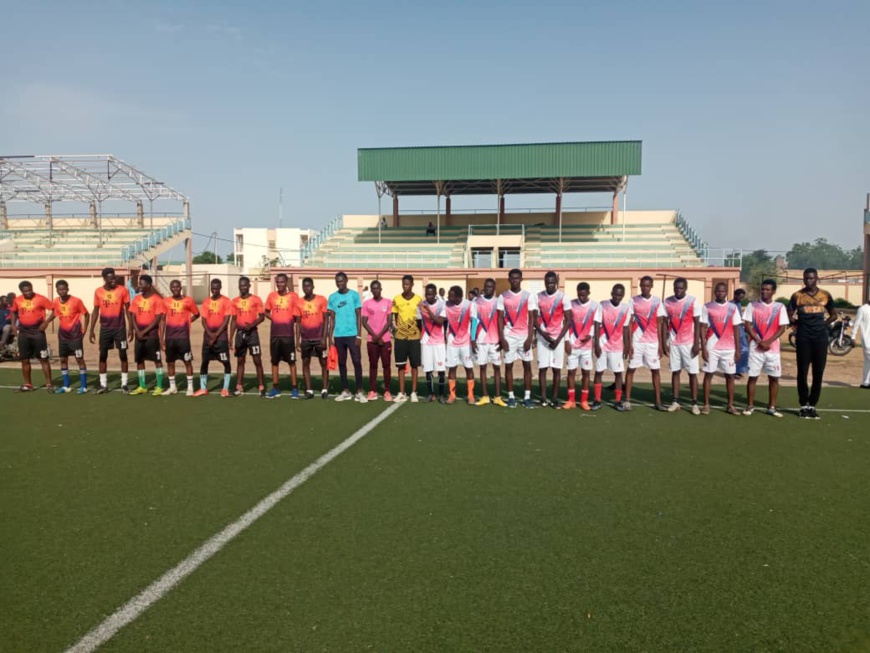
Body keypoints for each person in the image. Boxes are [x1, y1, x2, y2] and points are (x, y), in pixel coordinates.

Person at [788, 268, 836, 419]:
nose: (808, 281)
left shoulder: (825, 295)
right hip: (803, 338)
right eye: (806, 278)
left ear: (817, 278)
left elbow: (833, 314)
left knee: (818, 372)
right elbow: (789, 314)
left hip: (820, 338)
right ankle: (803, 405)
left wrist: (824, 325)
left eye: (811, 278)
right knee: (802, 372)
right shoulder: (797, 296)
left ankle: (812, 404)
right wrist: (796, 323)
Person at [743, 279, 789, 417]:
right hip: (755, 348)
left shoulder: (779, 307)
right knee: (752, 377)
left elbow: (782, 328)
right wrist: (759, 341)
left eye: (768, 289)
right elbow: (747, 325)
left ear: (773, 291)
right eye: (763, 289)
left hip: (773, 349)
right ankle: (750, 406)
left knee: (774, 378)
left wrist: (768, 341)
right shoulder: (753, 305)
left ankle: (772, 406)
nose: (765, 292)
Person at [700, 282, 742, 415]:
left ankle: (730, 405)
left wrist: (738, 349)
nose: (720, 293)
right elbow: (702, 328)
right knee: (708, 374)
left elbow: (736, 329)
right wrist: (703, 347)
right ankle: (706, 404)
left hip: (729, 348)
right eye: (718, 291)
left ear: (726, 293)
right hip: (711, 347)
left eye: (723, 291)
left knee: (730, 376)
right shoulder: (707, 307)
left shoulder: (732, 308)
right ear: (714, 292)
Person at [625, 275, 667, 411]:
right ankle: (627, 400)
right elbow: (630, 322)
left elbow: (660, 324)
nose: (645, 288)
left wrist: (661, 345)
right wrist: (629, 343)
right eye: (643, 285)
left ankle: (658, 401)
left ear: (651, 286)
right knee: (631, 369)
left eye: (647, 285)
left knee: (655, 371)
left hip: (652, 343)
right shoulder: (633, 300)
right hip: (637, 341)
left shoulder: (657, 302)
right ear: (640, 286)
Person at [498, 268, 538, 408]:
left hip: (524, 337)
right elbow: (500, 318)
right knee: (509, 366)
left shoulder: (528, 296)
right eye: (512, 278)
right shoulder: (503, 296)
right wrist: (502, 338)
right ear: (509, 280)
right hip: (509, 337)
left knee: (527, 365)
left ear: (521, 279)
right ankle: (511, 396)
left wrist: (530, 338)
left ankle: (527, 397)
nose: (515, 280)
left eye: (517, 278)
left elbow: (532, 317)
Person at [89, 267, 131, 394]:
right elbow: (95, 311)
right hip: (105, 329)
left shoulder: (123, 290)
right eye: (111, 278)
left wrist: (131, 327)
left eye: (114, 277)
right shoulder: (98, 292)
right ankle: (103, 384)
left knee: (123, 354)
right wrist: (91, 329)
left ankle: (124, 384)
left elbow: (128, 310)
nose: (114, 280)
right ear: (104, 278)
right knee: (103, 356)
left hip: (120, 328)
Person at [663, 277, 702, 414]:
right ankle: (675, 401)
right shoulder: (667, 301)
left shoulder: (693, 301)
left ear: (685, 288)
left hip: (689, 343)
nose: (678, 290)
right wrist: (664, 342)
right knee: (675, 371)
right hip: (674, 343)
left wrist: (697, 343)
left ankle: (694, 403)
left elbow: (697, 323)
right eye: (676, 287)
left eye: (680, 288)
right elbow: (664, 322)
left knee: (692, 373)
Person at [43, 280, 89, 394]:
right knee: (63, 359)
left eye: (64, 289)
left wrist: (84, 330)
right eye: (59, 289)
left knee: (79, 359)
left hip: (75, 336)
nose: (62, 291)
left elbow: (86, 314)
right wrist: (47, 321)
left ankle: (83, 386)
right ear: (57, 290)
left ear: (68, 289)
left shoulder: (76, 301)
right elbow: (55, 312)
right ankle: (66, 386)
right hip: (63, 336)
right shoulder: (56, 302)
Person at [593, 283, 633, 411]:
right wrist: (596, 344)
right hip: (603, 345)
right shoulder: (603, 305)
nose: (617, 297)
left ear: (623, 295)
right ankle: (597, 400)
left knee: (618, 373)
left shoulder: (626, 308)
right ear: (611, 293)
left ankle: (617, 401)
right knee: (599, 372)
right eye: (615, 294)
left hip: (617, 347)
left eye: (620, 295)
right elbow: (597, 324)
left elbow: (626, 329)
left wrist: (627, 346)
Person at [328, 271, 366, 402]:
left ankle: (359, 391)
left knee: (356, 362)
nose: (340, 283)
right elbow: (331, 319)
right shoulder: (332, 297)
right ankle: (345, 391)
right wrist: (330, 336)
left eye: (341, 281)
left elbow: (359, 316)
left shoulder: (354, 295)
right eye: (337, 281)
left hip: (352, 335)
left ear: (346, 280)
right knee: (342, 363)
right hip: (339, 335)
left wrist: (359, 336)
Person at [193, 278, 234, 397]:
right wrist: (210, 334)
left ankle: (225, 389)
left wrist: (215, 335)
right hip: (207, 338)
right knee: (204, 362)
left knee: (226, 362)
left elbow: (226, 321)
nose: (214, 290)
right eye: (212, 288)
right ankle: (203, 388)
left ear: (220, 288)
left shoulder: (226, 301)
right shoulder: (206, 302)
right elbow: (203, 320)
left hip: (221, 339)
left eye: (216, 288)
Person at [10, 281, 54, 392]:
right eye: (26, 291)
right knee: (24, 360)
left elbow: (54, 310)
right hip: (23, 333)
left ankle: (49, 384)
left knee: (43, 359)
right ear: (21, 291)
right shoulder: (17, 300)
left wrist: (47, 322)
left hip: (37, 333)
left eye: (30, 289)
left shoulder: (41, 299)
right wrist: (13, 325)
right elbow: (14, 312)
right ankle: (28, 384)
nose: (28, 292)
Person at [535, 271, 571, 408]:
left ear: (556, 282)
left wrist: (558, 339)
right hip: (543, 339)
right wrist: (543, 334)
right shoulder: (538, 297)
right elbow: (534, 319)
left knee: (556, 369)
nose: (549, 285)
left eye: (552, 282)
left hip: (558, 340)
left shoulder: (563, 297)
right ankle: (543, 398)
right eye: (547, 282)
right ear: (544, 282)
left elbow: (568, 321)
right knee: (542, 368)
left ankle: (554, 398)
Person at [128, 274, 166, 395]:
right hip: (139, 335)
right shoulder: (137, 299)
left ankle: (159, 386)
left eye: (142, 284)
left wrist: (144, 331)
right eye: (139, 284)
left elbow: (158, 318)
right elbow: (132, 315)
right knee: (139, 360)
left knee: (157, 360)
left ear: (149, 286)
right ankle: (142, 386)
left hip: (152, 335)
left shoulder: (157, 299)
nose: (140, 286)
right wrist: (136, 330)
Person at [264, 273, 300, 399]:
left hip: (288, 335)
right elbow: (266, 312)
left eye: (282, 282)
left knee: (291, 362)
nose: (280, 284)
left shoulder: (294, 297)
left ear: (286, 283)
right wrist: (274, 318)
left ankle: (295, 388)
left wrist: (289, 321)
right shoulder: (271, 296)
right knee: (274, 362)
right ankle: (275, 388)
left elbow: (297, 315)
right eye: (278, 282)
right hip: (275, 335)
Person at [162, 279, 199, 396]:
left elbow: (197, 314)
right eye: (173, 287)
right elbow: (162, 320)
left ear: (181, 287)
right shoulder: (166, 301)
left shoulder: (188, 300)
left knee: (187, 362)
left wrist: (188, 322)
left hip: (183, 338)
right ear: (170, 288)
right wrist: (161, 337)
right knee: (170, 363)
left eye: (177, 287)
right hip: (170, 338)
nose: (175, 289)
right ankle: (173, 387)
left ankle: (190, 387)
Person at [230, 276, 266, 397]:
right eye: (241, 285)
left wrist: (251, 325)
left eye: (245, 285)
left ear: (249, 286)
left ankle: (261, 387)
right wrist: (230, 337)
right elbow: (233, 320)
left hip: (252, 334)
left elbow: (262, 316)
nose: (243, 287)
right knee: (240, 361)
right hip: (240, 335)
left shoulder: (256, 299)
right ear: (239, 286)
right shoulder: (235, 301)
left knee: (257, 360)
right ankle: (239, 387)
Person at [472, 278, 505, 406]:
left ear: (494, 288)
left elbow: (502, 321)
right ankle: (485, 396)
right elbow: (474, 321)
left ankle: (497, 396)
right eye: (486, 286)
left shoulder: (498, 302)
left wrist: (502, 340)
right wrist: (473, 339)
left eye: (491, 287)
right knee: (483, 368)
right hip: (481, 341)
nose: (488, 289)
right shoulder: (476, 302)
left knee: (497, 368)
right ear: (484, 287)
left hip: (495, 341)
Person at [564, 282, 597, 410]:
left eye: (584, 295)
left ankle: (584, 401)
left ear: (588, 293)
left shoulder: (594, 306)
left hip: (586, 347)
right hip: (573, 345)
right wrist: (567, 341)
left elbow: (596, 323)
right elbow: (566, 323)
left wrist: (591, 335)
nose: (581, 298)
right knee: (571, 372)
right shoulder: (571, 304)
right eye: (579, 295)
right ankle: (571, 400)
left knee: (586, 373)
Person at [297, 277, 330, 399]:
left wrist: (324, 337)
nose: (307, 288)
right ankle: (309, 390)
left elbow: (326, 319)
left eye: (309, 286)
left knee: (323, 363)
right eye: (304, 286)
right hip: (306, 338)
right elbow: (298, 323)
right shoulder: (299, 302)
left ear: (313, 286)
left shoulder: (321, 300)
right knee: (305, 362)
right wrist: (297, 340)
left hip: (319, 337)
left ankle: (325, 389)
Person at [391, 274, 423, 403]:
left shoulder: (418, 299)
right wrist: (395, 332)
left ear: (412, 284)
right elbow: (394, 317)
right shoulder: (397, 299)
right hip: (400, 338)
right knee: (401, 365)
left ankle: (414, 392)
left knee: (414, 365)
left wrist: (418, 333)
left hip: (414, 337)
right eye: (404, 284)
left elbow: (420, 319)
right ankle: (401, 392)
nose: (406, 286)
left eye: (408, 284)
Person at [444, 285, 476, 404]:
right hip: (452, 343)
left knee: (469, 367)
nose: (448, 298)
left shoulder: (469, 305)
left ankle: (470, 395)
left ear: (458, 297)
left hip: (466, 343)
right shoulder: (446, 305)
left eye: (451, 296)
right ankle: (452, 395)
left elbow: (474, 321)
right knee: (452, 367)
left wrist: (473, 339)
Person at [362, 280, 393, 401]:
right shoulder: (367, 303)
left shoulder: (388, 302)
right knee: (373, 365)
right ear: (371, 290)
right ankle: (373, 390)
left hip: (385, 340)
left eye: (377, 288)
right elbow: (364, 321)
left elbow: (389, 321)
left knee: (386, 366)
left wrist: (380, 336)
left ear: (381, 289)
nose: (375, 290)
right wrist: (375, 336)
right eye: (373, 289)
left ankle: (387, 391)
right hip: (372, 340)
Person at [418, 283, 447, 401]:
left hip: (439, 341)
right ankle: (431, 393)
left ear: (435, 294)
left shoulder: (442, 305)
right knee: (428, 369)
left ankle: (441, 394)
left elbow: (440, 322)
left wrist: (429, 311)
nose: (428, 296)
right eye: (427, 294)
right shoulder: (420, 306)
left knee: (441, 369)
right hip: (426, 341)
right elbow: (418, 322)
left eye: (430, 294)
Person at [852, 296, 870, 388]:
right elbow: (856, 323)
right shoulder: (863, 309)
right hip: (867, 340)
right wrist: (853, 337)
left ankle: (866, 383)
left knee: (868, 362)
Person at [732, 288, 750, 378]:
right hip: (734, 330)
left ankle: (738, 369)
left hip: (740, 329)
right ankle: (733, 370)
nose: (741, 299)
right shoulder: (731, 304)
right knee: (736, 350)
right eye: (740, 297)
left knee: (744, 350)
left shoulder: (738, 304)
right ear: (735, 295)